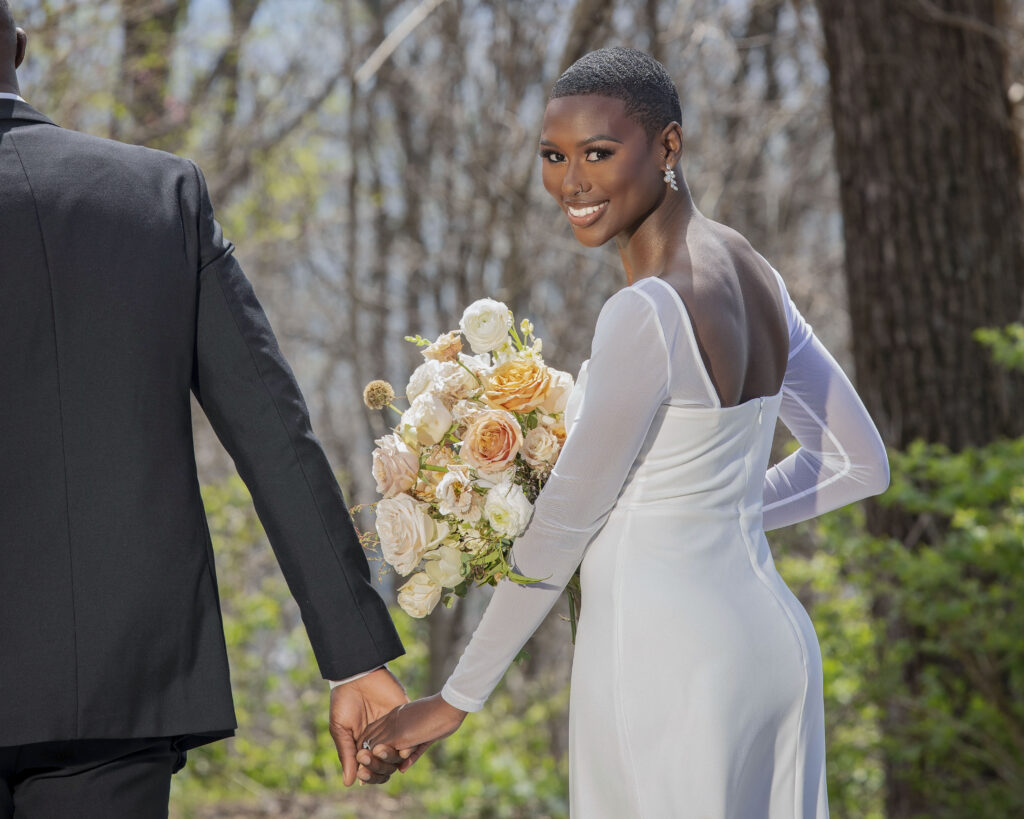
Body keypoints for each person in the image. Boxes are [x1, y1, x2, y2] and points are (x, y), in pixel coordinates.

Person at [357, 47, 890, 817]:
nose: (572, 181)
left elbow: (562, 527)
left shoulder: (645, 311)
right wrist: (716, 517)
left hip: (665, 658)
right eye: (554, 155)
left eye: (598, 153)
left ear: (667, 147)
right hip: (771, 650)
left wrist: (456, 697)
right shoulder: (756, 273)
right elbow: (860, 462)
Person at [0, 4, 408, 815]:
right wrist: (354, 656)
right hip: (115, 693)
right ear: (18, 48)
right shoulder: (158, 196)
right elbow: (273, 431)